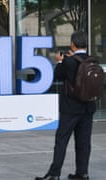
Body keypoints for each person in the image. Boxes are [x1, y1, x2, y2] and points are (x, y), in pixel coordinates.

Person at [35, 31, 95, 180]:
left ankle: (54, 174)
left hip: (70, 108)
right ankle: (82, 173)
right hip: (88, 107)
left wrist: (60, 61)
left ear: (73, 44)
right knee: (84, 142)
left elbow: (58, 75)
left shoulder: (68, 62)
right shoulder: (92, 60)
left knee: (61, 140)